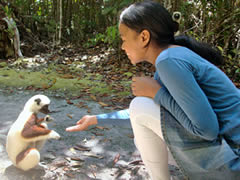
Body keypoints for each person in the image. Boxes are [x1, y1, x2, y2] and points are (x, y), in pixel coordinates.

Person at [66, 1, 240, 179]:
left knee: (140, 104)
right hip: (228, 153)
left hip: (234, 161)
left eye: (124, 39)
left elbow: (207, 130)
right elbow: (144, 115)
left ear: (144, 37)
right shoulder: (171, 57)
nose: (122, 46)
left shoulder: (168, 60)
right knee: (142, 126)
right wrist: (95, 119)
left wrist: (156, 93)